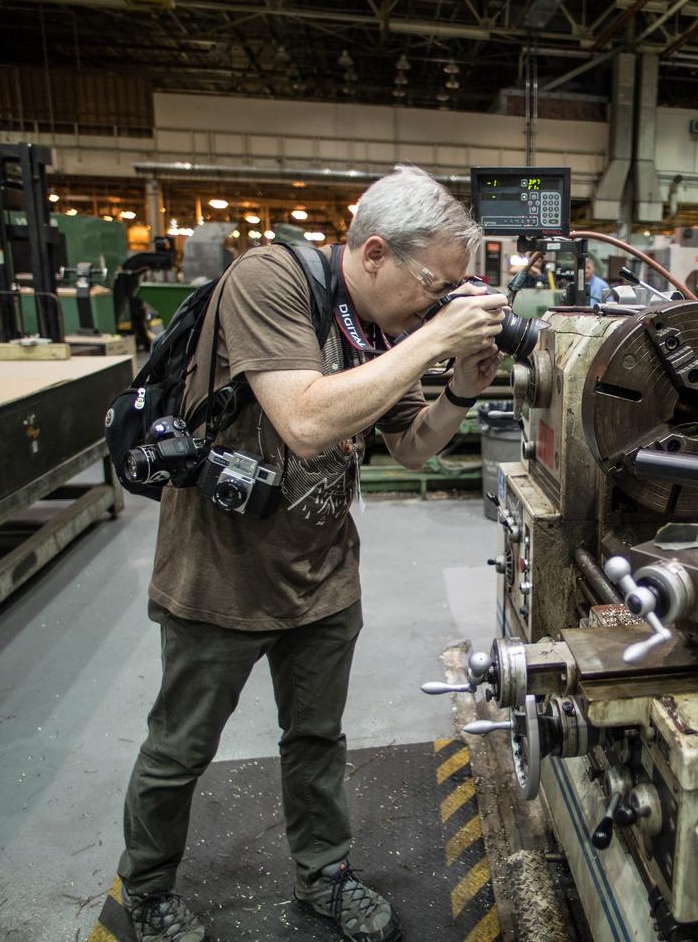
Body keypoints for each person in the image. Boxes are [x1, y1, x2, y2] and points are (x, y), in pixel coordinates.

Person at [116, 166, 506, 942]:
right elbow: (303, 421)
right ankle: (149, 887)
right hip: (220, 577)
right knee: (182, 746)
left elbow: (416, 446)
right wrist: (436, 337)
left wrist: (458, 387)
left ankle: (324, 875)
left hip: (323, 576)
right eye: (436, 285)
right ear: (372, 253)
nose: (440, 303)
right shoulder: (269, 280)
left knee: (317, 740)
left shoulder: (380, 335)